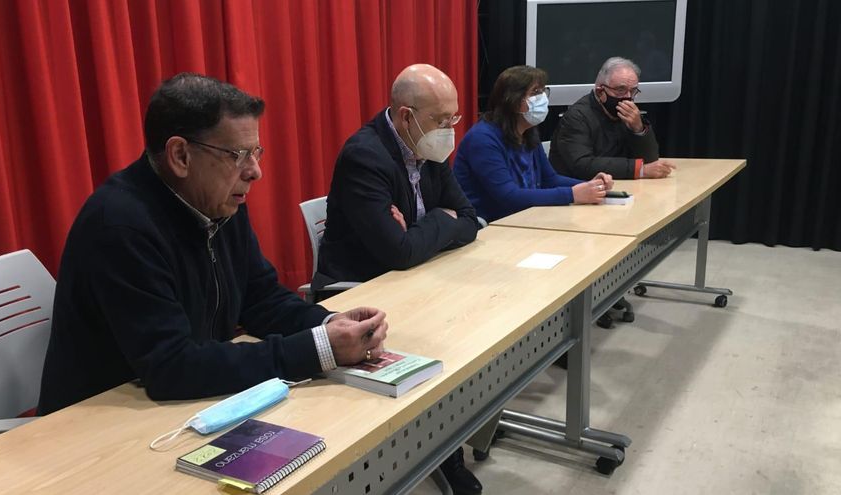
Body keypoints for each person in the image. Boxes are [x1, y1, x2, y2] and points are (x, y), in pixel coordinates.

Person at [38, 73, 388, 415]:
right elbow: (171, 366)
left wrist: (328, 325)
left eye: (256, 152)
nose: (255, 171)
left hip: (179, 406)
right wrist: (316, 349)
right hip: (97, 423)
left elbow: (261, 299)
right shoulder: (119, 225)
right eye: (238, 155)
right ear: (180, 156)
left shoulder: (220, 201)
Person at [316, 64, 481, 495]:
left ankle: (451, 438)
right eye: (441, 120)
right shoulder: (365, 156)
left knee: (469, 329)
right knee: (445, 342)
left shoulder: (429, 149)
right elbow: (399, 253)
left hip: (414, 280)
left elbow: (469, 219)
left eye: (454, 118)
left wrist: (419, 229)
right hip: (359, 292)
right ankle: (443, 454)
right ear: (406, 116)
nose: (449, 130)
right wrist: (437, 222)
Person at [454, 65, 614, 224]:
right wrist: (572, 194)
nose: (543, 97)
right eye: (535, 92)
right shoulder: (482, 139)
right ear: (513, 100)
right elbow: (508, 196)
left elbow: (549, 179)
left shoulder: (527, 132)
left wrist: (591, 186)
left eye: (543, 91)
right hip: (487, 225)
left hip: (523, 218)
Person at [549, 56, 676, 180]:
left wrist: (639, 129)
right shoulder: (576, 117)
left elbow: (650, 161)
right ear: (600, 92)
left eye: (633, 91)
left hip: (619, 186)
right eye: (620, 90)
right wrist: (639, 170)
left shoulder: (629, 115)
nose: (628, 97)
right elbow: (583, 165)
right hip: (577, 188)